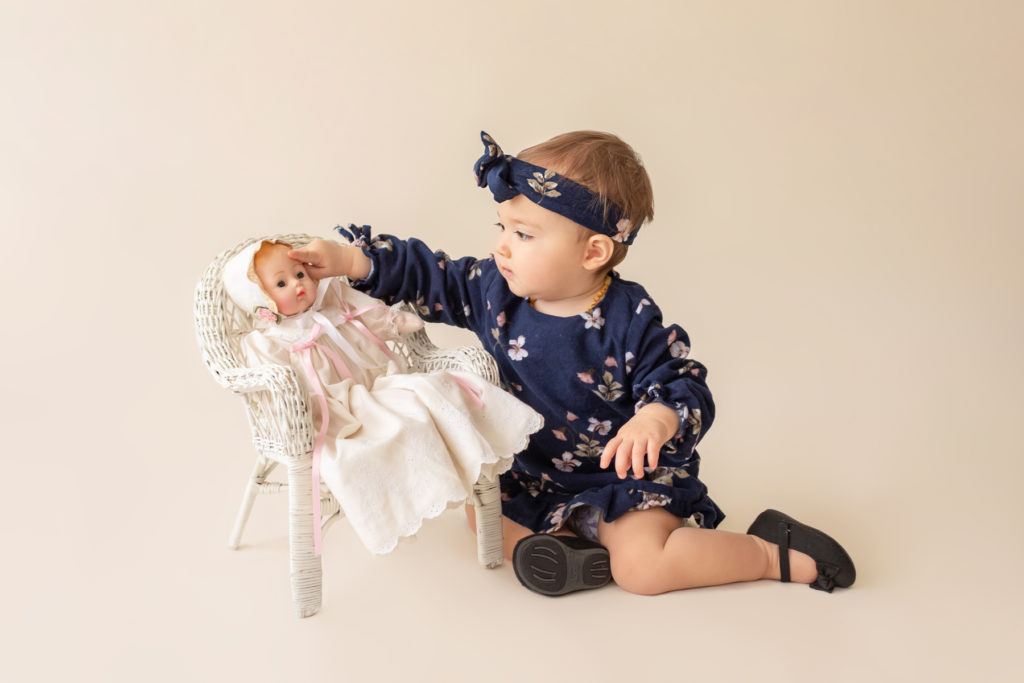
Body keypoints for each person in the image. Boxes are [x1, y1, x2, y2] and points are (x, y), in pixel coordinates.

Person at [287, 131, 856, 596]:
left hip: (626, 479)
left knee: (645, 570)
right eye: (502, 229)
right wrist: (349, 259)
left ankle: (767, 552)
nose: (502, 247)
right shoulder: (493, 290)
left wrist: (656, 419)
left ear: (593, 252)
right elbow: (427, 274)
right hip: (537, 475)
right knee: (480, 519)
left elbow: (683, 381)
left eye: (524, 234)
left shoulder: (628, 316)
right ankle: (574, 552)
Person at [222, 238, 542, 556]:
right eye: (281, 283)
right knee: (367, 440)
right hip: (324, 410)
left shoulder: (333, 303)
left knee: (426, 397)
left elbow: (363, 314)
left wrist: (392, 321)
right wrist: (293, 407)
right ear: (261, 301)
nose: (297, 285)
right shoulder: (268, 342)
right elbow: (271, 382)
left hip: (376, 386)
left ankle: (457, 470)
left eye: (299, 275)